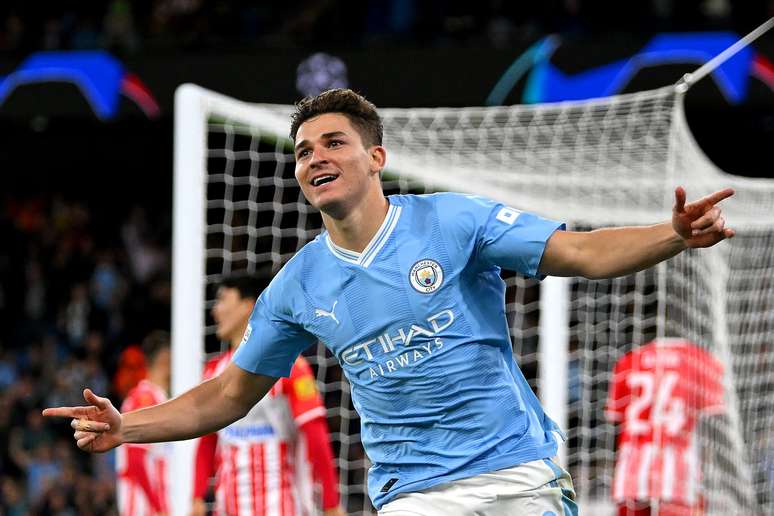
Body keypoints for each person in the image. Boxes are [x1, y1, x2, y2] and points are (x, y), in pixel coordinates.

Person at [43, 88, 736, 516]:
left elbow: (580, 253)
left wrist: (671, 235)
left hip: (516, 475)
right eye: (304, 149)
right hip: (414, 497)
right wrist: (128, 427)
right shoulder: (297, 285)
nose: (314, 156)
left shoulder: (454, 221)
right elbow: (226, 397)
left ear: (375, 158)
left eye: (334, 142)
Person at [191, 273, 344, 516]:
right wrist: (197, 496)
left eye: (222, 300)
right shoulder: (213, 372)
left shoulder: (291, 366)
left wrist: (331, 504)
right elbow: (207, 439)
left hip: (279, 505)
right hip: (229, 506)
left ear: (247, 305)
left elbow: (314, 432)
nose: (215, 311)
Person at [605, 338, 725, 516]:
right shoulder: (701, 360)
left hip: (632, 471)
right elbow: (712, 427)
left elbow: (616, 420)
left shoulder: (629, 360)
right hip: (678, 472)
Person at [116, 330, 172, 516]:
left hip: (156, 501)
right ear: (166, 360)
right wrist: (158, 506)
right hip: (143, 505)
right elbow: (136, 459)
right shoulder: (144, 400)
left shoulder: (159, 397)